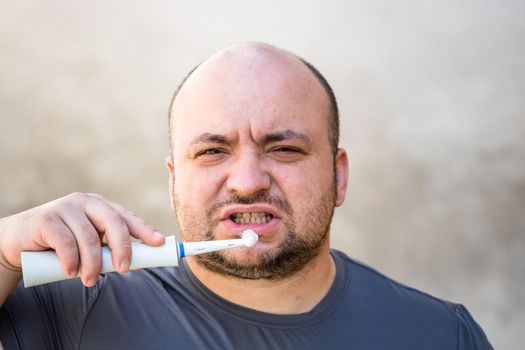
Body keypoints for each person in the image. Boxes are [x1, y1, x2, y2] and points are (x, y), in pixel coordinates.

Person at [0, 42, 492, 349]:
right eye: (213, 151)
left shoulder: (441, 335)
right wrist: (2, 253)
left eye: (284, 148)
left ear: (339, 177)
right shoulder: (72, 309)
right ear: (174, 181)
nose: (248, 181)